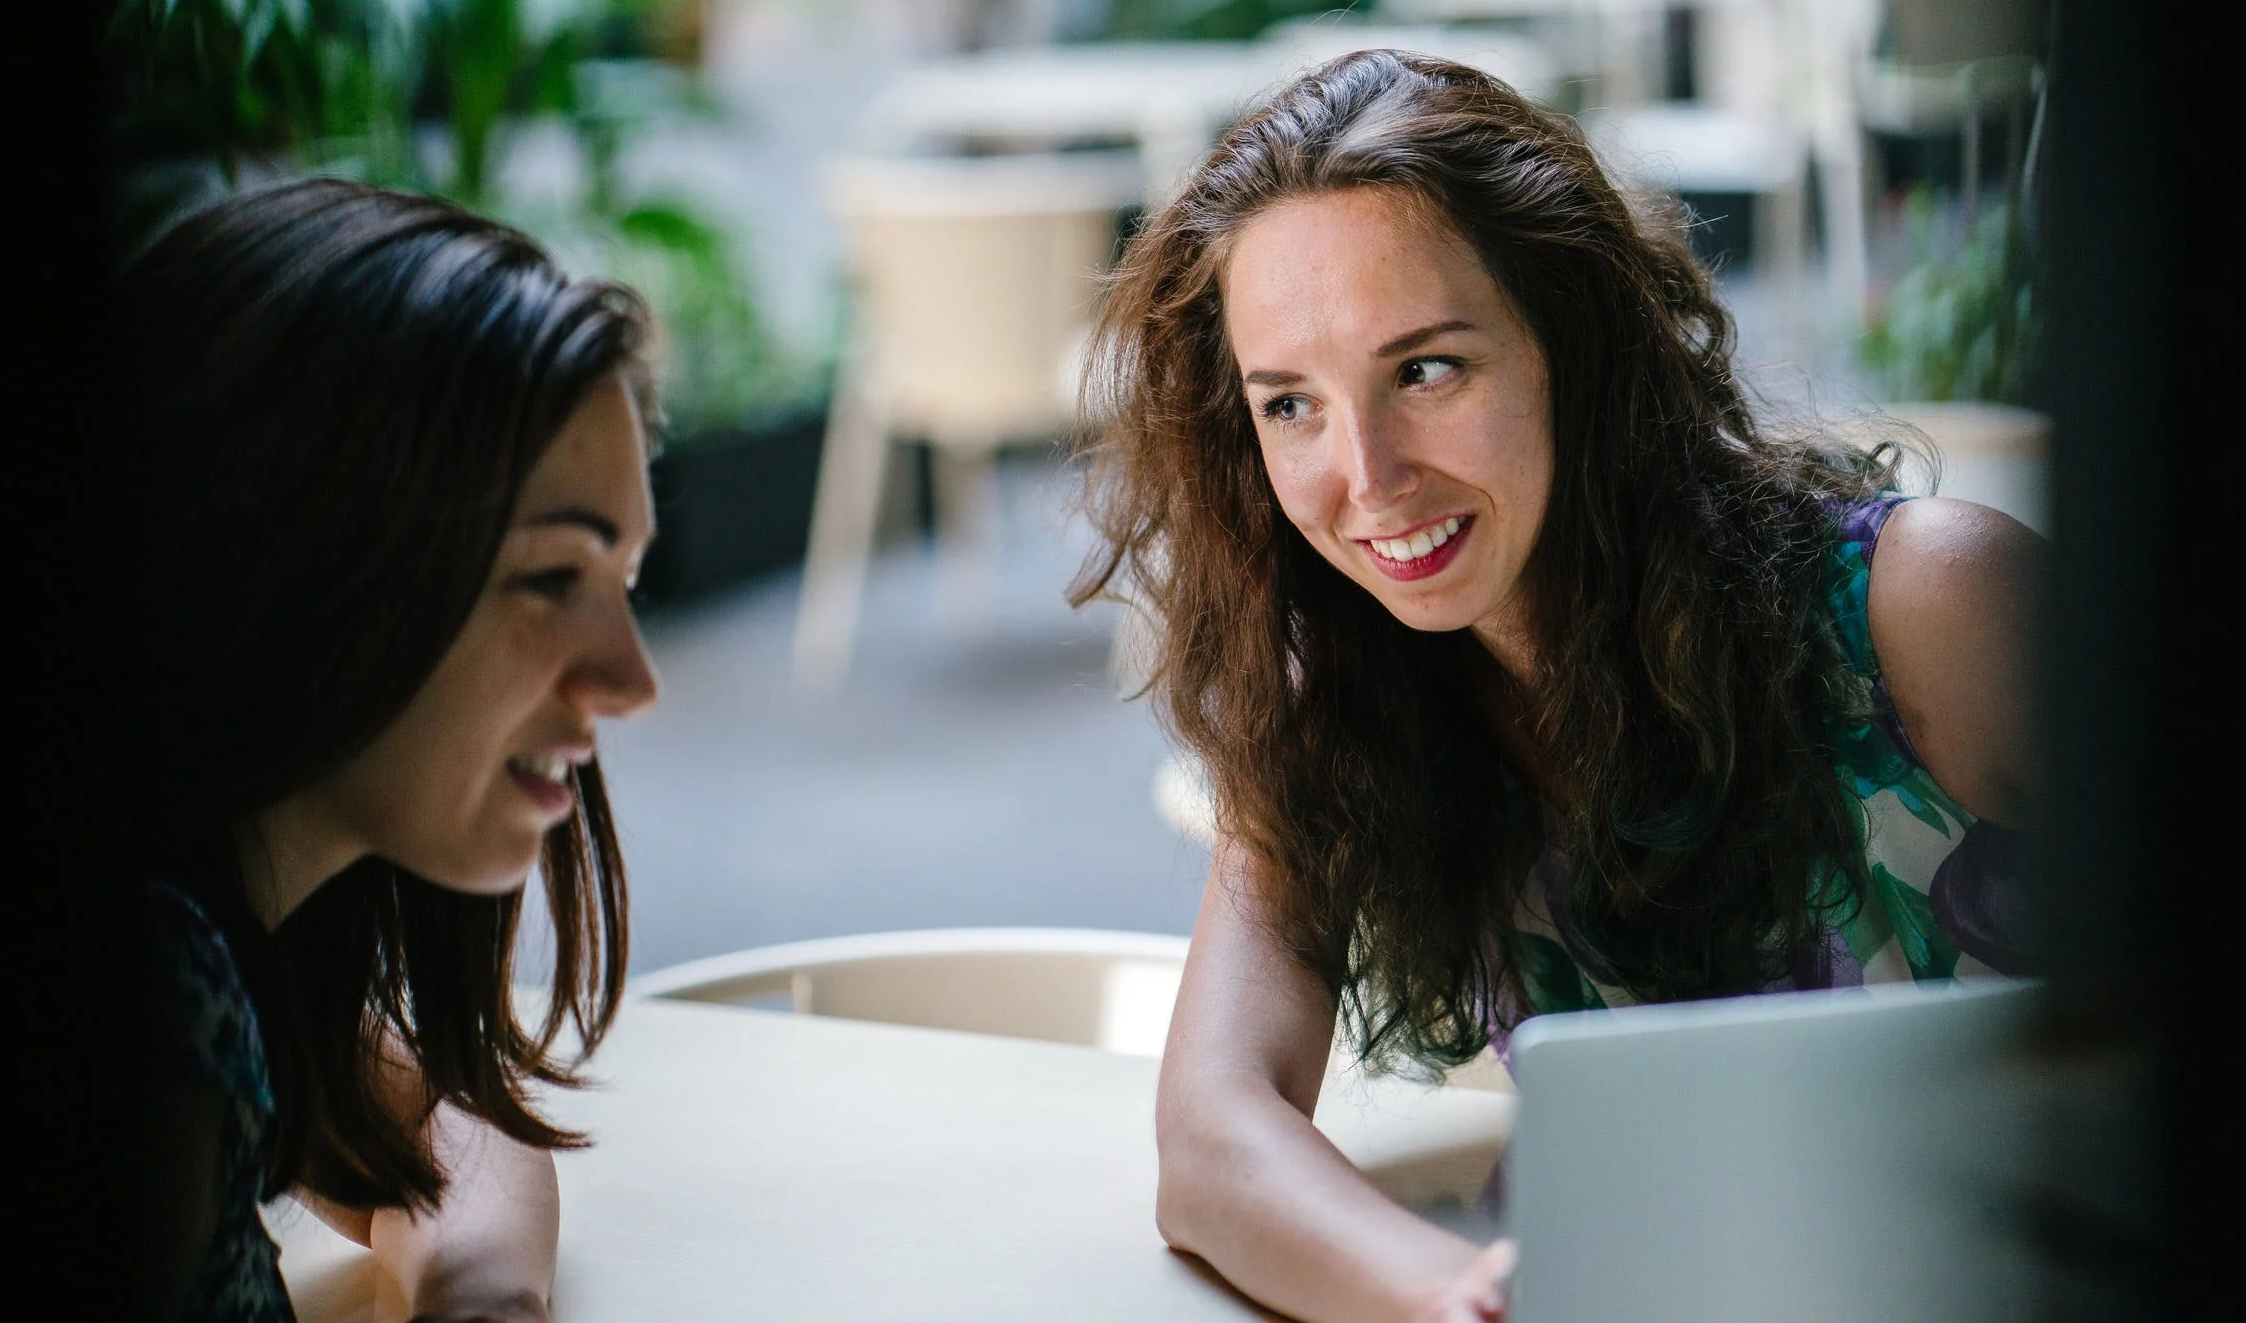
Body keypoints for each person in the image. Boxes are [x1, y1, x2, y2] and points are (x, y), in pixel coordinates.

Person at [1070, 51, 2039, 1323]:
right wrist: (1461, 1297)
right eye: (1290, 404)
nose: (1366, 477)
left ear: (1570, 348)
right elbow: (1208, 1141)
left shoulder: (1927, 606)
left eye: (1425, 370)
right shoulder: (1338, 707)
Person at [51, 178, 660, 1321]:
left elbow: (431, 1113)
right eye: (550, 580)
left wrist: (480, 1299)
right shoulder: (158, 1009)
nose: (632, 682)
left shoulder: (239, 936)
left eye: (621, 584)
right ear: (313, 565)